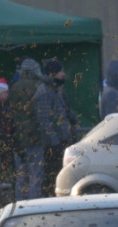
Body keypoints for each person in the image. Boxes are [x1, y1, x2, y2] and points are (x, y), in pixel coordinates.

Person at [9, 57, 56, 200]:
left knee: (21, 176)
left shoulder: (14, 87)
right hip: (35, 138)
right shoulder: (40, 88)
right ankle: (33, 206)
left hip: (18, 139)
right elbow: (43, 118)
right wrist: (52, 140)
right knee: (35, 175)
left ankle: (20, 205)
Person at [41, 58, 79, 197]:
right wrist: (54, 142)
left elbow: (65, 111)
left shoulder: (57, 91)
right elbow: (45, 119)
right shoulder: (46, 92)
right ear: (53, 73)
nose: (64, 74)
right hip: (53, 143)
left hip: (61, 140)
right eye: (60, 71)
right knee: (52, 174)